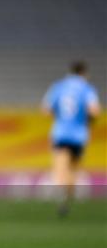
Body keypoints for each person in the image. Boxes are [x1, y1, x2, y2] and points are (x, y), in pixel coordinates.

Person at [42, 61, 101, 216]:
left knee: (61, 167)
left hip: (61, 133)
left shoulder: (59, 86)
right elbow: (94, 111)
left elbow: (46, 109)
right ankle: (67, 201)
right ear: (83, 73)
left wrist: (61, 116)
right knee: (74, 170)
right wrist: (85, 121)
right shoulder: (87, 89)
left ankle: (61, 196)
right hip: (79, 135)